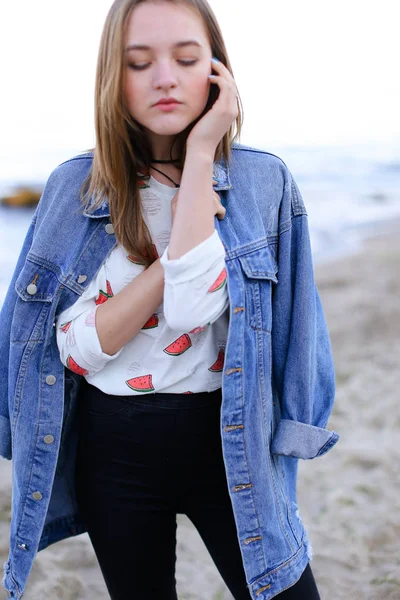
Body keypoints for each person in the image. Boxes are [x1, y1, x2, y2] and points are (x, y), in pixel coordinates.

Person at [0, 0, 340, 598]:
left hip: (232, 442)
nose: (165, 77)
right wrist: (166, 264)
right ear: (114, 77)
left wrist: (204, 152)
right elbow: (77, 351)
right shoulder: (72, 189)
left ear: (216, 69)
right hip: (115, 452)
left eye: (186, 58)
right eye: (139, 63)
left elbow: (275, 322)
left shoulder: (265, 183)